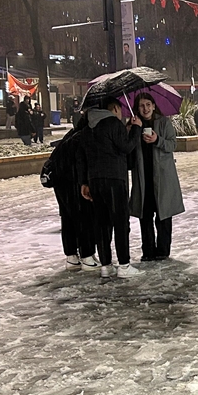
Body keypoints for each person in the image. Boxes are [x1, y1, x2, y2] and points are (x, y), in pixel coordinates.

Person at [80, 98, 142, 278]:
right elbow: (127, 147)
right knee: (120, 223)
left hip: (95, 181)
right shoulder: (113, 123)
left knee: (102, 224)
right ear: (115, 108)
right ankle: (124, 265)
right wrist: (136, 128)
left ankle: (106, 265)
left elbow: (83, 157)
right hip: (114, 179)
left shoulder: (87, 128)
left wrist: (84, 182)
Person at [130, 92, 185, 261]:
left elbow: (172, 144)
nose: (145, 108)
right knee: (145, 216)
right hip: (143, 178)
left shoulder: (163, 122)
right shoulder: (133, 125)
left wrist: (157, 140)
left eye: (148, 104)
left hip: (162, 178)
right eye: (141, 105)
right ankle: (148, 251)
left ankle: (163, 251)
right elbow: (128, 148)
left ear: (154, 106)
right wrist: (132, 129)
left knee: (163, 216)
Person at [44, 114, 98, 269]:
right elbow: (81, 162)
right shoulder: (83, 137)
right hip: (73, 182)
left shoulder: (71, 135)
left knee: (68, 219)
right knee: (83, 218)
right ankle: (87, 256)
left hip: (61, 184)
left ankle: (72, 257)